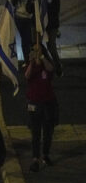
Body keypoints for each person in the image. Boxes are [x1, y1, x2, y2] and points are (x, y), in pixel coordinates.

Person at [24, 43, 58, 172]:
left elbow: (51, 69)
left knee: (48, 131)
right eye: (33, 50)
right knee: (35, 132)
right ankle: (35, 158)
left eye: (37, 50)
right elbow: (27, 76)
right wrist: (32, 61)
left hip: (48, 102)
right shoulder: (30, 65)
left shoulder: (46, 64)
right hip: (34, 102)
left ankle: (45, 154)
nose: (35, 52)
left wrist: (42, 57)